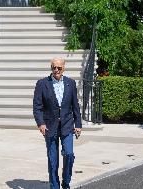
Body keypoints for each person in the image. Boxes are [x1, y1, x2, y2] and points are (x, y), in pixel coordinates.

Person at [33, 57, 82, 189]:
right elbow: (37, 107)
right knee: (53, 160)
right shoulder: (42, 84)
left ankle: (66, 182)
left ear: (63, 68)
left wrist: (78, 124)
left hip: (67, 125)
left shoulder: (70, 83)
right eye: (53, 67)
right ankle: (54, 186)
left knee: (69, 154)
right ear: (51, 68)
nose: (56, 70)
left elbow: (75, 106)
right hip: (50, 127)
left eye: (59, 68)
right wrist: (40, 123)